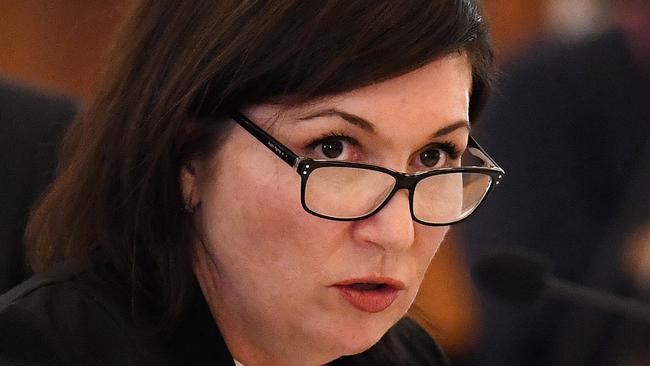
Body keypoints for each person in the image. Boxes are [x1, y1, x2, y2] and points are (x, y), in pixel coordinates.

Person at [0, 1, 501, 365]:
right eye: (332, 149)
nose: (396, 232)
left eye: (434, 155)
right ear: (189, 157)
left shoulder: (407, 358)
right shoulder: (41, 350)